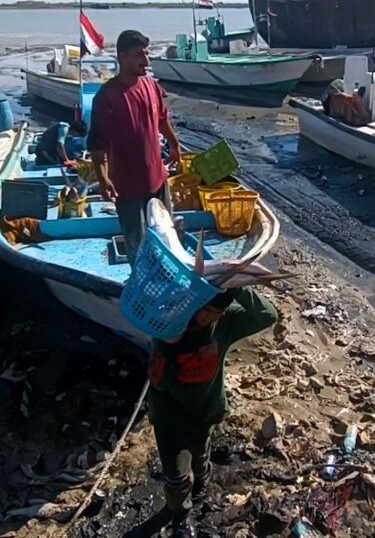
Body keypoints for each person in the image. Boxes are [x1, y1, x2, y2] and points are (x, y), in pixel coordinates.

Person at [128, 288, 278, 538]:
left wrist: (237, 287)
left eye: (216, 313)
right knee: (176, 477)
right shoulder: (169, 328)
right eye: (206, 311)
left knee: (200, 454)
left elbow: (267, 315)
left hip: (206, 409)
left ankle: (201, 486)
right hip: (169, 418)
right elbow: (160, 383)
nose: (209, 318)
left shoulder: (225, 322)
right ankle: (181, 515)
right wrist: (168, 347)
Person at [87, 29, 182, 264]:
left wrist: (174, 143)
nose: (146, 61)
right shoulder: (107, 97)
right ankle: (142, 284)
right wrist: (102, 179)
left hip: (157, 178)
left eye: (147, 54)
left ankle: (169, 279)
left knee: (166, 237)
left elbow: (161, 118)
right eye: (139, 55)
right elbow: (97, 144)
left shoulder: (151, 86)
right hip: (127, 186)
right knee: (137, 245)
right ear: (121, 57)